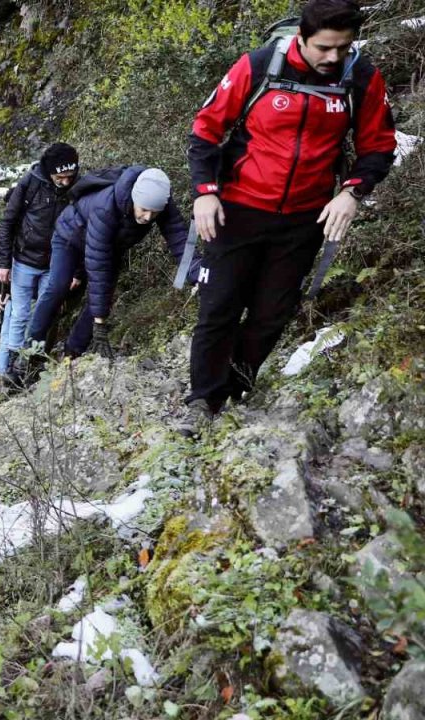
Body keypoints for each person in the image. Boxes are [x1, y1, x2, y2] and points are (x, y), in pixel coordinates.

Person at [181, 0, 396, 435]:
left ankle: (238, 384)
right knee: (219, 307)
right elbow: (206, 129)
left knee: (272, 313)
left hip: (305, 217)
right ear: (302, 36)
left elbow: (379, 145)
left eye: (343, 47)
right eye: (324, 48)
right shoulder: (258, 66)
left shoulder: (360, 78)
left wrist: (354, 191)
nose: (332, 57)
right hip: (238, 209)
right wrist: (205, 193)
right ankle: (202, 400)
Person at [22, 167, 194, 365]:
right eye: (144, 210)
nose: (148, 217)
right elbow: (98, 267)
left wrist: (195, 272)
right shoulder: (106, 207)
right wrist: (100, 322)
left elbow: (179, 237)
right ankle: (30, 354)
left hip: (108, 246)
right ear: (134, 197)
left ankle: (71, 354)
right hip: (69, 237)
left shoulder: (160, 202)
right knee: (58, 287)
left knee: (104, 297)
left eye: (154, 213)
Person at [0, 143, 80, 382]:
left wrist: (76, 271)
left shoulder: (78, 188)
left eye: (70, 177)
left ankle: (30, 366)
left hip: (55, 264)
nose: (66, 182)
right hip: (24, 261)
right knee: (18, 315)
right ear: (50, 172)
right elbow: (8, 223)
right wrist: (3, 263)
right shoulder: (30, 183)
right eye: (61, 177)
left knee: (44, 315)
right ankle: (7, 371)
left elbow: (84, 230)